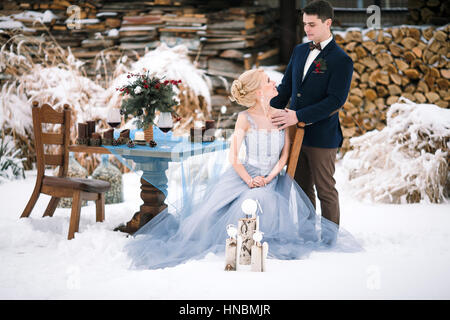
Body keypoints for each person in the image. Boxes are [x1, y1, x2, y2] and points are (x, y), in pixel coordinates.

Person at [125, 69, 358, 270]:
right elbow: (234, 157)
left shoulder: (281, 116)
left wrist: (269, 177)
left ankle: (253, 243)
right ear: (258, 91)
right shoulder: (244, 118)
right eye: (268, 81)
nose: (274, 83)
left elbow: (285, 155)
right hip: (245, 175)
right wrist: (249, 179)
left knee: (259, 199)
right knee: (228, 206)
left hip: (271, 178)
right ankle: (234, 243)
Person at [270, 0, 354, 243]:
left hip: (322, 137)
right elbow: (286, 89)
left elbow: (335, 101)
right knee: (301, 189)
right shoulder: (299, 51)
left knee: (325, 189)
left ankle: (329, 241)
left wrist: (297, 115)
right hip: (293, 134)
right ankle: (307, 236)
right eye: (305, 24)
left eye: (312, 24)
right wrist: (265, 109)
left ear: (328, 23)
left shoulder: (341, 60)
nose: (307, 29)